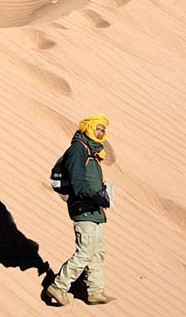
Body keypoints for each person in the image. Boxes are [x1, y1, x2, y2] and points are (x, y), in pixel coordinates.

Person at [47, 116, 111, 306]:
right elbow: (77, 181)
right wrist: (93, 196)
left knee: (97, 251)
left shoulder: (91, 152)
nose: (100, 133)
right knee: (85, 252)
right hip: (83, 208)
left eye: (102, 130)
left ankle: (95, 291)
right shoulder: (78, 149)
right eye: (97, 129)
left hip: (95, 210)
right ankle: (58, 286)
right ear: (88, 128)